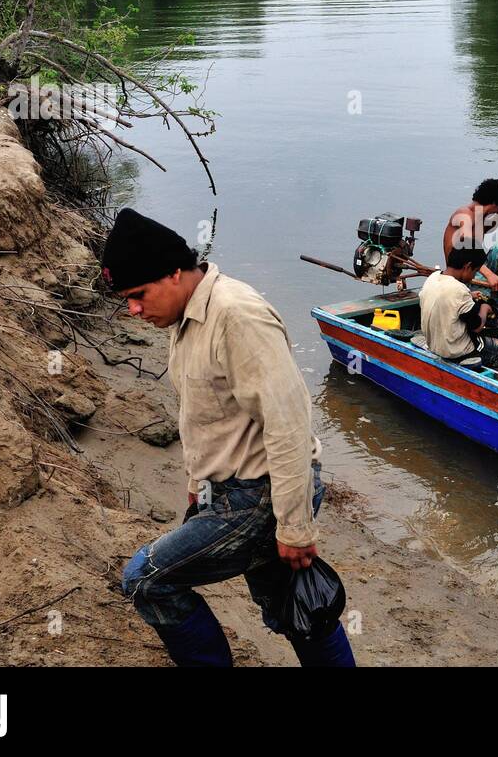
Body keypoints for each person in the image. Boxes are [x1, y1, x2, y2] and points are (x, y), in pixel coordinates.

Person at [104, 208, 355, 667]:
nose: (133, 310)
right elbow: (206, 415)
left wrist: (295, 527)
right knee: (296, 609)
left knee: (147, 579)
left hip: (260, 495)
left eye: (138, 295)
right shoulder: (183, 319)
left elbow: (289, 424)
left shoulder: (237, 317)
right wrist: (197, 483)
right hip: (229, 492)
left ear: (174, 273)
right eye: (127, 299)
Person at [419, 245, 498, 383]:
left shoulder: (433, 278)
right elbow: (477, 326)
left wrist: (470, 295)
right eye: (475, 271)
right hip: (456, 352)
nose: (473, 277)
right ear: (467, 266)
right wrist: (485, 308)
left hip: (434, 344)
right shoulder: (459, 290)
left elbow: (446, 300)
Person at [443, 177, 498, 291]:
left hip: (476, 268)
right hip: (462, 273)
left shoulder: (479, 214)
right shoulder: (465, 214)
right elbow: (468, 249)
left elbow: (482, 231)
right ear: (495, 203)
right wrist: (490, 275)